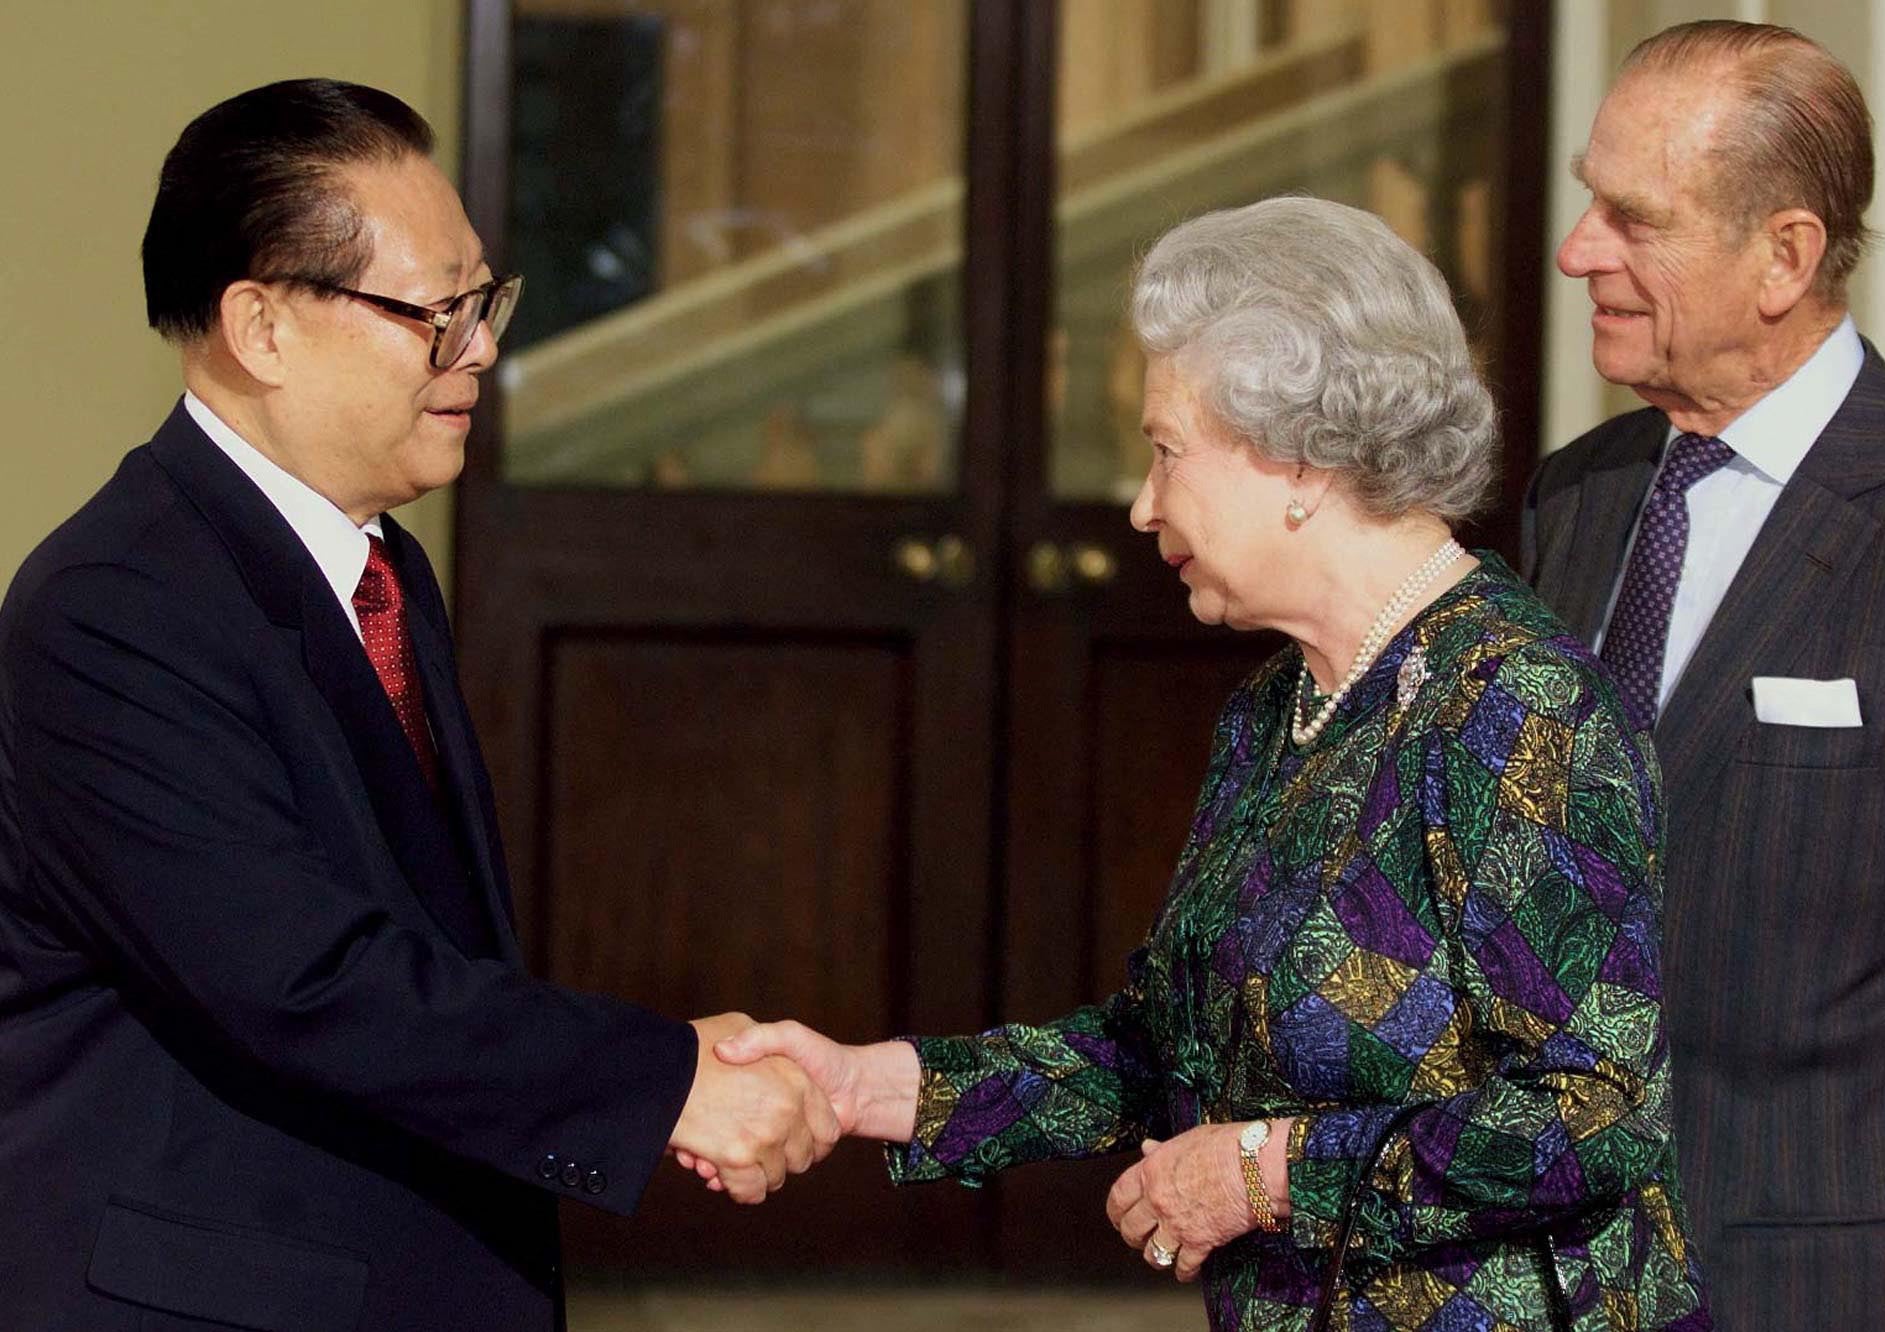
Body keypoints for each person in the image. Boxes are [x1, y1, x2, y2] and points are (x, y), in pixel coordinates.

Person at [703, 197, 1713, 1331]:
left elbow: (1594, 1114)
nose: (1140, 506)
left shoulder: (1516, 706)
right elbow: (1157, 1049)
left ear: (1299, 459)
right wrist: (862, 1088)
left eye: (1164, 450)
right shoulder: (1278, 708)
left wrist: (1264, 1173)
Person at [0, 80, 836, 1329]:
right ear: (261, 327)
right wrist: (663, 1082)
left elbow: (421, 947)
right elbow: (303, 980)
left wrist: (655, 1068)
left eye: (483, 301)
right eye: (435, 312)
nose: (481, 350)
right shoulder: (116, 606)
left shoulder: (377, 563)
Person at [1527, 21, 1885, 1332]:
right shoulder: (1571, 506)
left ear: (1786, 256)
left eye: (1632, 218)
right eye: (1591, 201)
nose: (1578, 249)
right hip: (1527, 1276)